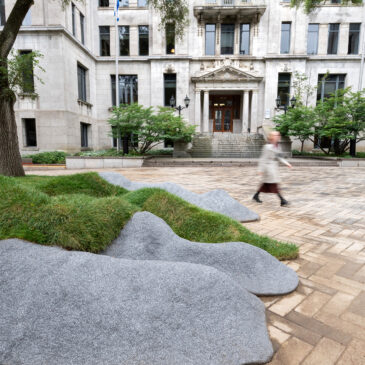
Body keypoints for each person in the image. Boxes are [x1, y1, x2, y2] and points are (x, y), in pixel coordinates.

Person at [252, 131, 292, 206]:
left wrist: (287, 163)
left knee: (266, 184)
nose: (277, 136)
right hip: (268, 168)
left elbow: (279, 157)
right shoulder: (267, 147)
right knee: (274, 185)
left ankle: (256, 195)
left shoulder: (278, 146)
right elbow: (263, 159)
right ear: (272, 137)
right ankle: (282, 201)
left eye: (278, 135)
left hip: (274, 167)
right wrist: (260, 170)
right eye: (275, 135)